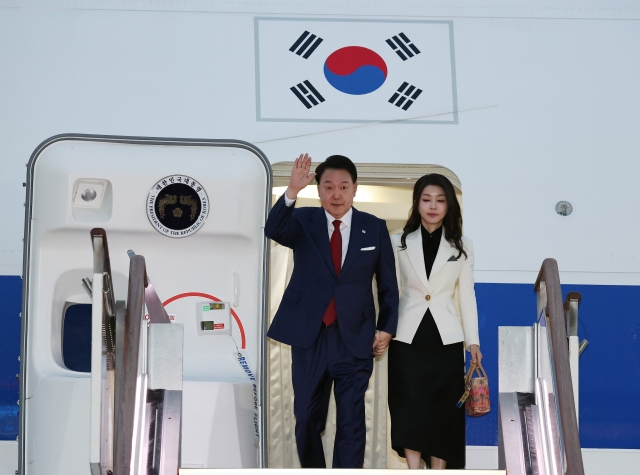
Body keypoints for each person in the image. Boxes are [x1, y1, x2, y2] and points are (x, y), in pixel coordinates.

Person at [265, 153, 399, 468]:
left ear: (354, 189)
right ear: (319, 189)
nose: (335, 194)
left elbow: (389, 286)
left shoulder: (374, 227)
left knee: (352, 422)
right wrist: (292, 192)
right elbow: (274, 229)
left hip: (355, 338)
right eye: (328, 187)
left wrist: (386, 327)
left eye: (343, 186)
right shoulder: (302, 220)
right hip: (310, 337)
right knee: (307, 417)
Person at [388, 174, 482, 470]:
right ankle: (414, 467)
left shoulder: (463, 245)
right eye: (426, 199)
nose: (433, 206)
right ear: (416, 203)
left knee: (444, 410)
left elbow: (466, 295)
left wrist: (473, 341)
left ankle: (439, 469)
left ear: (449, 206)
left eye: (440, 201)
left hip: (447, 339)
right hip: (406, 337)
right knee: (409, 405)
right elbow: (390, 293)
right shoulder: (397, 242)